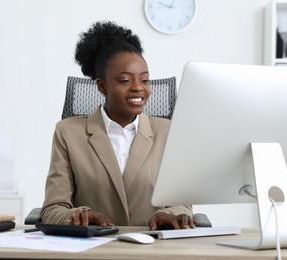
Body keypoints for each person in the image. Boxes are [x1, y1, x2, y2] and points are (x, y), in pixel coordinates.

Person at [41, 21, 195, 230]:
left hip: (153, 247)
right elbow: (53, 209)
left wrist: (171, 214)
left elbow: (182, 203)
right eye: (125, 81)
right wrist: (79, 215)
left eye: (145, 80)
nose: (138, 88)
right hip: (93, 247)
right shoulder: (67, 133)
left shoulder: (169, 132)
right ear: (102, 86)